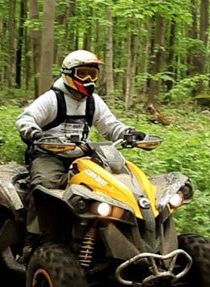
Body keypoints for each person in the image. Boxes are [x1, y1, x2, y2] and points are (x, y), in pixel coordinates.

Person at [16, 49, 147, 192]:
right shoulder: (52, 98)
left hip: (84, 155)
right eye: (82, 74)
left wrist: (129, 133)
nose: (88, 80)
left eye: (92, 74)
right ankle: (33, 213)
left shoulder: (94, 102)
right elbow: (25, 119)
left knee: (116, 184)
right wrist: (35, 133)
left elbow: (110, 126)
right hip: (50, 155)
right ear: (68, 74)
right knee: (45, 188)